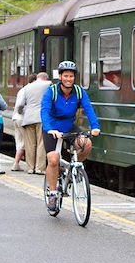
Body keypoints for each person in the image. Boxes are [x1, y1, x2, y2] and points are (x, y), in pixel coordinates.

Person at [41, 60, 101, 212]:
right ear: (60, 77)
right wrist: (49, 129)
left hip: (69, 127)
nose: (68, 79)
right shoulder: (52, 91)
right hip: (53, 129)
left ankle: (73, 168)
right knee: (53, 160)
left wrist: (95, 126)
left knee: (86, 144)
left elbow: (89, 109)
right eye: (66, 76)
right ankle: (53, 194)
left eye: (71, 76)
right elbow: (44, 111)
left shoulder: (79, 92)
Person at [14, 72, 51, 174]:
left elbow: (20, 105)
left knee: (29, 144)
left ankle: (30, 168)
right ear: (45, 78)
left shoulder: (27, 87)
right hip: (41, 118)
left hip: (28, 118)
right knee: (41, 143)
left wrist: (23, 113)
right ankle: (39, 168)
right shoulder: (48, 85)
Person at [11, 74, 36, 171]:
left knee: (20, 142)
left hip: (15, 118)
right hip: (22, 118)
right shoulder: (29, 90)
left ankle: (16, 164)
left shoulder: (22, 89)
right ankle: (29, 166)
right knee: (28, 143)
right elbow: (20, 106)